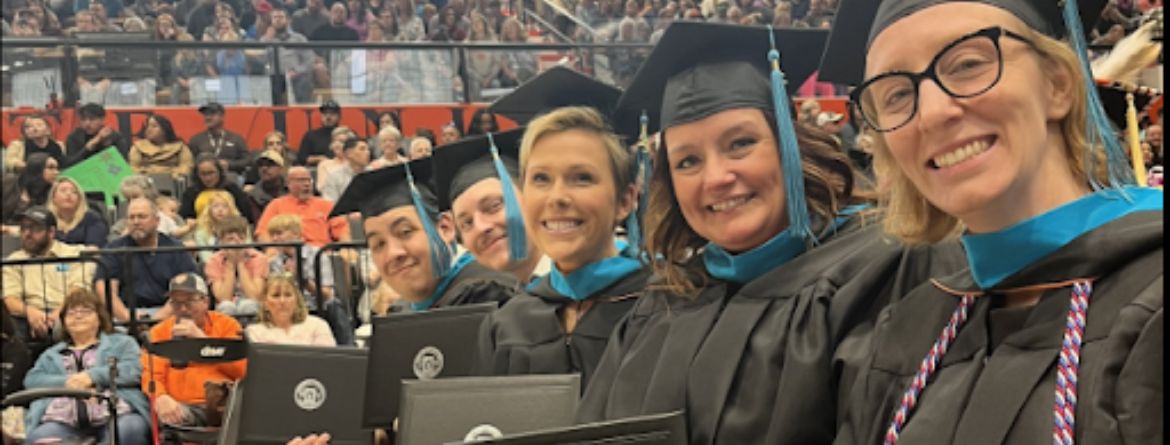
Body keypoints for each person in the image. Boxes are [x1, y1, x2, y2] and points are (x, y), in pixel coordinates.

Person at [576, 22, 963, 443]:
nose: (716, 177)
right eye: (687, 161)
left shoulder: (887, 269)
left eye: (740, 143)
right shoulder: (664, 301)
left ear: (788, 142)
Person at [822, 1, 1164, 443]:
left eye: (966, 64)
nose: (931, 112)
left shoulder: (1152, 293)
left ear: (1058, 85)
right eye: (897, 94)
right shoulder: (905, 331)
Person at [476, 104, 650, 388]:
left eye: (582, 178)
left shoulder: (664, 308)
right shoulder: (505, 324)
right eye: (541, 179)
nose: (557, 197)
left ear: (625, 201)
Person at [330, 159, 518, 312]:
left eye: (405, 232)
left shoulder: (488, 295)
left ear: (445, 228)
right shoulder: (402, 311)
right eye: (378, 244)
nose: (393, 253)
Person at [22, 288, 151, 445]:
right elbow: (32, 380)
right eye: (71, 312)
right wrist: (68, 383)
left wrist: (93, 376)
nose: (78, 315)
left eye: (86, 310)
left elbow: (135, 369)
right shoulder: (51, 354)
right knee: (38, 438)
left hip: (117, 414)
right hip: (62, 420)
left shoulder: (122, 343)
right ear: (63, 322)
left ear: (99, 318)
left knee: (130, 429)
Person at [432, 129, 547, 283]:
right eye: (467, 223)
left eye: (493, 206)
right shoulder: (513, 302)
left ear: (532, 195)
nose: (480, 227)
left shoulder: (581, 288)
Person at [141, 273, 246, 427]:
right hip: (180, 407)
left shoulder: (227, 325)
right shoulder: (159, 332)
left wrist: (203, 341)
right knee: (170, 417)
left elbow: (241, 371)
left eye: (189, 302)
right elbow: (151, 376)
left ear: (206, 302)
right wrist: (161, 397)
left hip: (224, 406)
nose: (183, 309)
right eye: (176, 303)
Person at [97, 198, 198, 322]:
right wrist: (128, 318)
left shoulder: (175, 248)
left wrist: (156, 320)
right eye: (131, 217)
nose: (136, 222)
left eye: (142, 217)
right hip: (125, 314)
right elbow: (105, 291)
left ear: (157, 221)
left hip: (168, 314)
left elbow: (184, 289)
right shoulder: (114, 249)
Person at [3, 207, 95, 342]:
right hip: (27, 315)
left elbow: (78, 290)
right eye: (24, 228)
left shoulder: (74, 254)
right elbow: (10, 299)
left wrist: (58, 314)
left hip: (67, 309)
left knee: (73, 321)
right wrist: (30, 312)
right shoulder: (14, 260)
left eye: (35, 229)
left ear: (51, 232)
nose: (27, 234)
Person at [255, 167, 350, 247]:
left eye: (309, 180)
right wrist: (271, 249)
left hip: (321, 254)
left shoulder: (326, 205)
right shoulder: (276, 205)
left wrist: (346, 248)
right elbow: (262, 233)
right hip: (286, 253)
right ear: (289, 184)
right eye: (301, 180)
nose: (307, 184)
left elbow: (342, 230)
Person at [245, 273, 336, 345]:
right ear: (265, 303)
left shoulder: (318, 326)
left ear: (296, 300)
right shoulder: (254, 332)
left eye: (288, 295)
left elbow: (327, 363)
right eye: (276, 295)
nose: (282, 301)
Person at [205, 216, 267, 317]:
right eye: (230, 239)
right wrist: (230, 264)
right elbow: (223, 297)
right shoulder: (213, 261)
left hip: (252, 304)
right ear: (221, 241)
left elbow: (254, 295)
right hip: (227, 305)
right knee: (226, 306)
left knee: (249, 305)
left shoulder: (259, 258)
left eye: (241, 238)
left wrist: (240, 263)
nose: (237, 243)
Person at [178, 153, 257, 234]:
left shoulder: (232, 189)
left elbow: (245, 216)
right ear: (197, 175)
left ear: (219, 172)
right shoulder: (191, 192)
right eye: (203, 174)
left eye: (211, 173)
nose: (208, 178)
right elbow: (185, 217)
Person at [264, 7, 316, 103]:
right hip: (275, 77)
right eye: (275, 17)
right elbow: (261, 61)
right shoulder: (265, 40)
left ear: (287, 20)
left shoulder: (299, 38)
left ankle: (302, 111)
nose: (278, 20)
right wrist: (267, 41)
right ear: (271, 21)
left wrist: (298, 71)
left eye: (281, 17)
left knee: (304, 81)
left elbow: (310, 59)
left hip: (297, 77)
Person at [187, 103, 251, 176]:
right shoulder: (196, 140)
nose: (208, 117)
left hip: (230, 177)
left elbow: (248, 160)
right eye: (206, 115)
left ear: (222, 116)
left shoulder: (235, 138)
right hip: (204, 178)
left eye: (212, 114)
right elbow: (190, 162)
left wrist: (229, 164)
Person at [62, 103, 131, 170]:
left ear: (102, 119)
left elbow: (123, 163)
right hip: (83, 173)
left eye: (92, 119)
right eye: (83, 119)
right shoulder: (74, 137)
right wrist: (87, 149)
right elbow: (69, 165)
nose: (87, 123)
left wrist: (103, 144)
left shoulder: (115, 137)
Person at [2, 153, 57, 235]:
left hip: (31, 237)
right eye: (51, 168)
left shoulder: (53, 191)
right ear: (36, 168)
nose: (56, 172)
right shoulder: (8, 183)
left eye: (56, 168)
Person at [47, 177, 108, 248]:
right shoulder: (46, 219)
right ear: (53, 197)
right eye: (63, 191)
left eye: (74, 192)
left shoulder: (92, 218)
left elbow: (94, 249)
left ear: (79, 199)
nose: (68, 194)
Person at [129, 114, 194, 180]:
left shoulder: (180, 147)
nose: (149, 129)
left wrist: (178, 173)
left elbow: (187, 165)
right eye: (148, 126)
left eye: (154, 126)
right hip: (145, 182)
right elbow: (133, 167)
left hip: (174, 181)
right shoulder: (138, 147)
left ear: (165, 129)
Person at [190, 190, 245, 263]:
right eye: (216, 206)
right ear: (209, 209)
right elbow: (205, 257)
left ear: (231, 209)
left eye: (225, 206)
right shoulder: (201, 232)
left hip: (239, 263)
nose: (220, 210)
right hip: (212, 266)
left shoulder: (241, 226)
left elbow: (247, 249)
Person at [320, 137, 371, 202]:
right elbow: (329, 203)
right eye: (362, 149)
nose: (368, 153)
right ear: (348, 153)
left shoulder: (373, 173)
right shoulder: (334, 177)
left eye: (368, 149)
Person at [296, 101, 343, 166]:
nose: (328, 117)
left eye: (332, 113)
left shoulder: (346, 134)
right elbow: (302, 158)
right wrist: (319, 159)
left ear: (339, 116)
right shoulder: (311, 135)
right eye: (325, 114)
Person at [314, 126, 357, 191]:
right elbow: (321, 187)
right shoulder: (324, 165)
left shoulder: (356, 164)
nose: (337, 144)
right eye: (334, 141)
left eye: (342, 141)